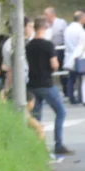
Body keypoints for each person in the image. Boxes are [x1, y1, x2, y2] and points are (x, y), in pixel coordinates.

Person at [28, 17, 74, 155]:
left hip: (32, 84)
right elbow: (54, 64)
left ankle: (36, 144)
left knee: (36, 115)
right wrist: (53, 68)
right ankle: (58, 144)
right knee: (61, 111)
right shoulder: (48, 45)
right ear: (44, 28)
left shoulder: (28, 46)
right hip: (46, 84)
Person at [64, 10, 85, 104]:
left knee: (71, 78)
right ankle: (81, 97)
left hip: (69, 56)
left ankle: (71, 97)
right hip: (79, 56)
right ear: (81, 18)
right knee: (81, 78)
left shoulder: (68, 28)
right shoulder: (80, 30)